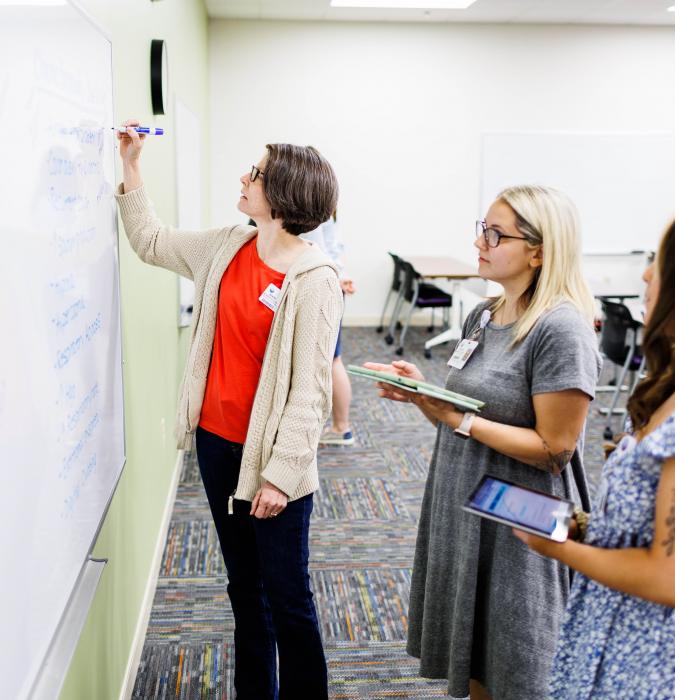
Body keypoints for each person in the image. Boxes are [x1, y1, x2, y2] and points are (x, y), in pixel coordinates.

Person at [115, 120, 342, 700]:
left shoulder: (313, 279)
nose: (245, 177)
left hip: (271, 465)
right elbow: (152, 242)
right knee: (244, 590)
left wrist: (281, 475)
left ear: (284, 193)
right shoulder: (228, 245)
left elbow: (310, 392)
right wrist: (132, 167)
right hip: (217, 445)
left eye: (257, 173)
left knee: (287, 598)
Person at [364, 185, 601, 700]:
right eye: (482, 229)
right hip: (464, 500)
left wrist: (457, 419)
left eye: (496, 234)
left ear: (539, 251)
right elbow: (465, 414)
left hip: (523, 516)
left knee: (519, 667)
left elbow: (556, 449)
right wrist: (425, 397)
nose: (480, 243)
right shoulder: (485, 315)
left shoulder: (562, 330)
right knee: (476, 662)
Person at [516, 224, 675, 699]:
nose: (646, 273)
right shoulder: (664, 385)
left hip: (646, 654)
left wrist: (560, 549)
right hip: (611, 624)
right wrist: (581, 526)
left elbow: (667, 577)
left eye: (659, 262)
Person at [301, 212, 356, 446]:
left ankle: (341, 427)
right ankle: (340, 427)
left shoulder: (309, 209)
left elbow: (315, 250)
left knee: (331, 360)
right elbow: (334, 247)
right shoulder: (327, 206)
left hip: (322, 287)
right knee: (332, 359)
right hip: (332, 283)